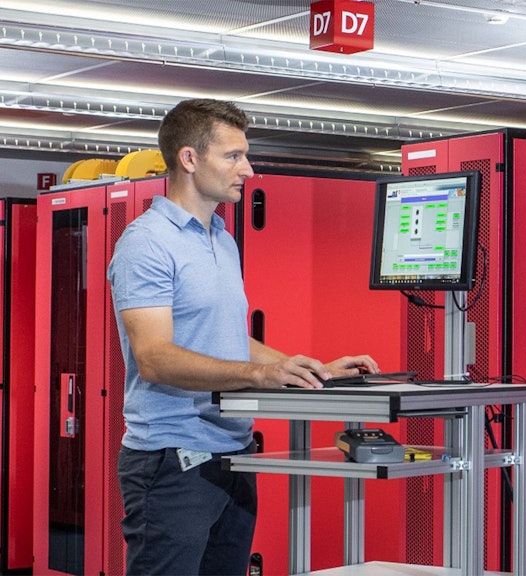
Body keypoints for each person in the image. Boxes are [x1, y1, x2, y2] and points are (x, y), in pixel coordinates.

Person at [107, 98, 379, 575]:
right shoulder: (146, 243)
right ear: (189, 159)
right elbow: (154, 357)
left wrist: (304, 368)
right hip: (173, 461)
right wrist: (259, 374)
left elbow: (228, 337)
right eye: (233, 156)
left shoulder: (220, 238)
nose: (247, 169)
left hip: (233, 453)